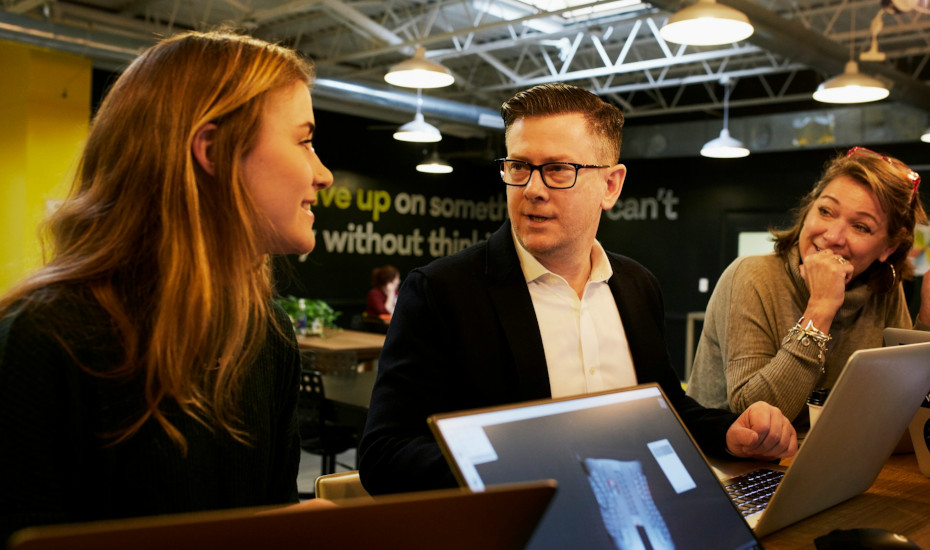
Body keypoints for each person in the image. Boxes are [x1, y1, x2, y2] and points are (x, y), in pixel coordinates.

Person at [358, 83, 797, 496]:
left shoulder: (637, 286)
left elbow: (666, 407)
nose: (532, 189)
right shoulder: (441, 292)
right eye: (518, 167)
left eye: (557, 170)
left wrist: (728, 432)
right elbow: (385, 455)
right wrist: (520, 469)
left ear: (611, 185)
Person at [0, 30, 334, 543]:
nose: (323, 173)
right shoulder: (44, 339)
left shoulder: (268, 335)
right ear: (214, 149)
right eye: (305, 140)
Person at [687, 147, 929, 424]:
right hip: (730, 461)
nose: (833, 236)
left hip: (829, 452)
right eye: (826, 211)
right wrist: (821, 309)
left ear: (889, 247)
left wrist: (927, 324)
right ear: (808, 209)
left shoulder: (883, 287)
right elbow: (753, 417)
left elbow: (900, 407)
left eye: (861, 227)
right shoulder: (751, 275)